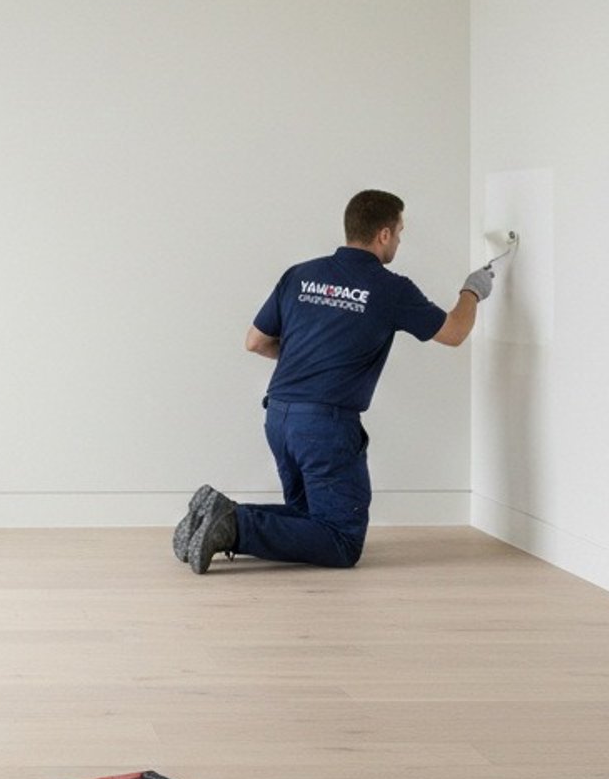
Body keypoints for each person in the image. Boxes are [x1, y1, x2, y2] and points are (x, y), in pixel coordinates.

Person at [173, 189, 496, 575]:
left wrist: (305, 358)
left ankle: (211, 515)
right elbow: (454, 332)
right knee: (341, 540)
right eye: (400, 232)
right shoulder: (391, 289)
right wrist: (473, 290)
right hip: (324, 427)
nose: (399, 241)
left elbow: (254, 342)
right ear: (383, 235)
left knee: (308, 515)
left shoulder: (300, 274)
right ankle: (235, 526)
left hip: (278, 416)